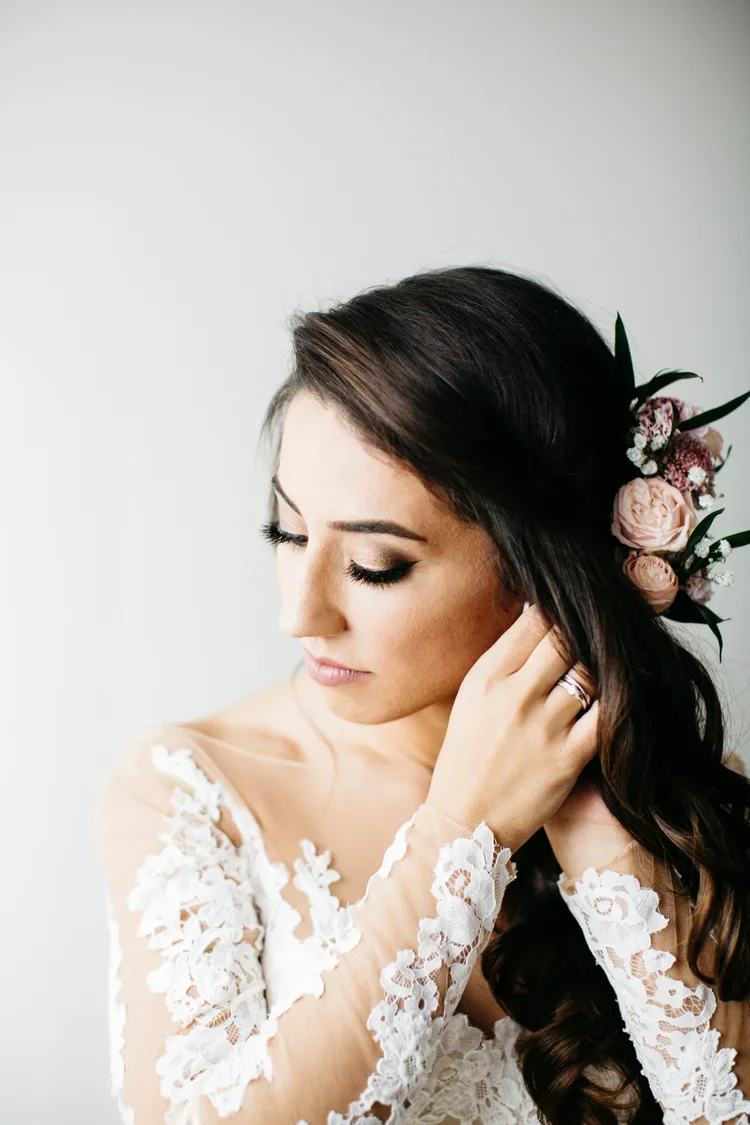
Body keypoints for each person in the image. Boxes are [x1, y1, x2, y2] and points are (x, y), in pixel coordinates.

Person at [95, 266, 750, 1125]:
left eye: (377, 565)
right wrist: (461, 831)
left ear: (539, 572)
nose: (299, 613)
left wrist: (614, 857)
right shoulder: (191, 790)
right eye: (287, 532)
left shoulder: (679, 803)